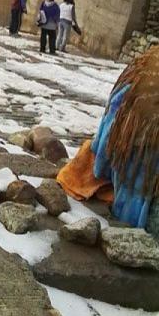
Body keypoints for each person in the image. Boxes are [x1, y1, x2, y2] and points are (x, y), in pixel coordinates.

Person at [57, 45, 159, 236]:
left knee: (131, 207)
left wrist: (99, 167)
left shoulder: (141, 72)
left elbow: (107, 139)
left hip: (135, 167)